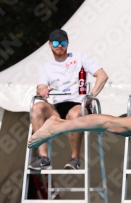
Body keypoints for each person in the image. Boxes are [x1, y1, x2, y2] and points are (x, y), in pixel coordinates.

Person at [29, 28, 108, 171]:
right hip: (57, 107)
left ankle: (75, 158)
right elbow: (40, 87)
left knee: (75, 114)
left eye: (63, 42)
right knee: (36, 107)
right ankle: (43, 157)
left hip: (79, 104)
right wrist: (42, 90)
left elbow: (102, 75)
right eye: (56, 42)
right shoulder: (46, 67)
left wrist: (92, 95)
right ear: (49, 44)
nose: (59, 45)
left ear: (67, 44)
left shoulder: (80, 58)